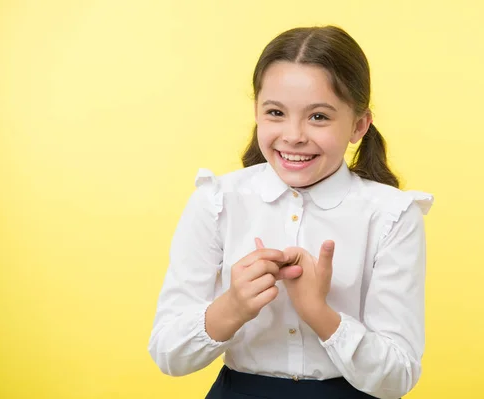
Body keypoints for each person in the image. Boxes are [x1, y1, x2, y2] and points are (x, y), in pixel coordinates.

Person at [148, 25, 434, 399]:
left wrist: (319, 312)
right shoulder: (217, 201)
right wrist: (233, 307)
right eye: (275, 112)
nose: (294, 135)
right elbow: (168, 354)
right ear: (256, 112)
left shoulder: (392, 215)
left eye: (318, 117)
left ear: (359, 125)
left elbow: (398, 376)